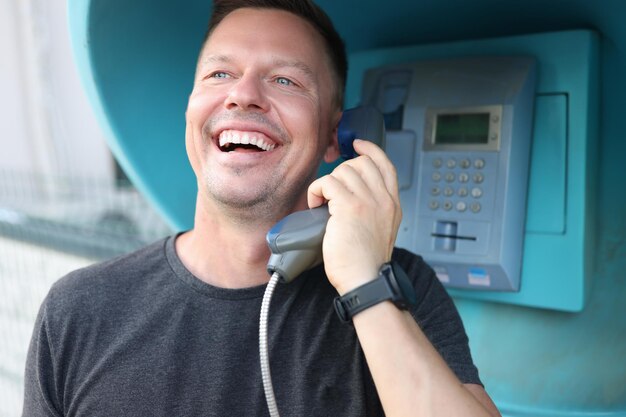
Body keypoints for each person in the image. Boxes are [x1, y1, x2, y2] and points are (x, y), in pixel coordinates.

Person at [23, 0, 500, 416]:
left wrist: (365, 286)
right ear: (190, 108)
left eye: (285, 80)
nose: (244, 94)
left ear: (339, 137)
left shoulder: (399, 289)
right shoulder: (77, 311)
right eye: (220, 73)